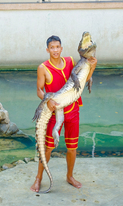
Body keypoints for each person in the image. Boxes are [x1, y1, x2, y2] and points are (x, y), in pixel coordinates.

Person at [30, 35, 97, 193]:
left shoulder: (71, 61)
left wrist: (93, 66)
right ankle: (38, 178)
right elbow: (39, 90)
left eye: (57, 47)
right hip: (54, 111)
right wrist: (47, 102)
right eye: (52, 47)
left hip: (73, 110)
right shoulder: (43, 68)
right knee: (47, 148)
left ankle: (70, 176)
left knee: (72, 147)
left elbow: (84, 79)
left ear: (61, 48)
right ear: (48, 49)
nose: (55, 50)